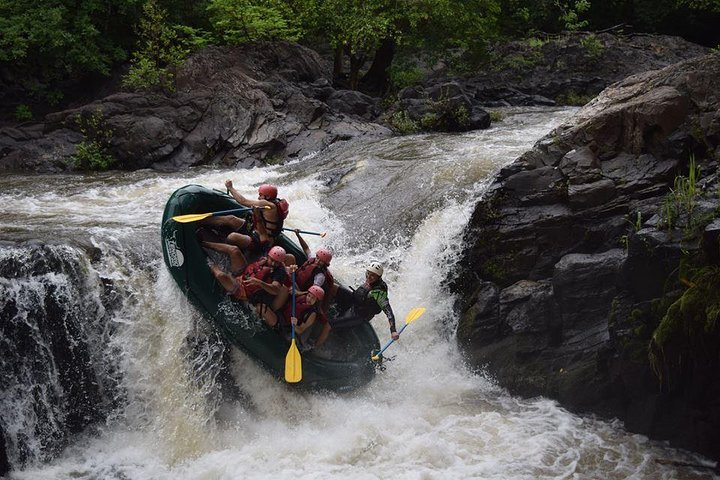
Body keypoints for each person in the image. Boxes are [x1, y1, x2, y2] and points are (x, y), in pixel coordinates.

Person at [203, 241, 290, 328]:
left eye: (277, 262)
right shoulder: (265, 257)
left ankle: (208, 262)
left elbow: (275, 289)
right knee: (234, 250)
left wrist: (259, 283)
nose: (273, 264)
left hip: (245, 292)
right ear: (268, 256)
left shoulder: (279, 273)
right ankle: (205, 243)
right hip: (242, 276)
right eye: (272, 260)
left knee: (220, 275)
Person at [332, 261, 399, 340]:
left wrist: (393, 331)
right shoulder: (371, 280)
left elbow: (388, 311)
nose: (368, 277)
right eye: (368, 273)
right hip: (355, 302)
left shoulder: (379, 292)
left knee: (330, 325)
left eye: (373, 275)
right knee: (333, 287)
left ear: (378, 277)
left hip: (359, 315)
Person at [292, 230, 338, 306]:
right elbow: (306, 248)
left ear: (325, 264)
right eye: (317, 258)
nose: (317, 261)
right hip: (294, 282)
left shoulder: (320, 276)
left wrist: (298, 293)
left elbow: (313, 292)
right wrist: (298, 235)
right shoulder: (312, 259)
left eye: (321, 261)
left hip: (300, 290)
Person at [280, 285, 331, 349]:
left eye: (313, 298)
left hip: (297, 335)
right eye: (309, 296)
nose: (309, 299)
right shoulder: (302, 299)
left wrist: (294, 325)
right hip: (285, 323)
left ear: (317, 301)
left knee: (288, 338)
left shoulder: (312, 314)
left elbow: (300, 330)